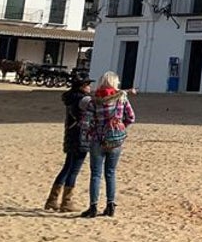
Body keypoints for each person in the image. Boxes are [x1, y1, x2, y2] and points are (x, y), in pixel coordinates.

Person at [79, 71, 135, 218]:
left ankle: (93, 207)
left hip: (98, 140)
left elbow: (86, 122)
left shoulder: (95, 100)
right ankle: (110, 205)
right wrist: (120, 127)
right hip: (115, 141)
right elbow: (131, 117)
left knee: (96, 175)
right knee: (110, 173)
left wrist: (89, 134)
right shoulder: (121, 99)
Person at [44, 74, 92, 212]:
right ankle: (66, 201)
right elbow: (99, 104)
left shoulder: (71, 98)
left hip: (71, 135)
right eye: (87, 84)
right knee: (73, 170)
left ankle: (52, 199)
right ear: (82, 87)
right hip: (81, 137)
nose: (89, 87)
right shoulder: (84, 100)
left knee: (66, 168)